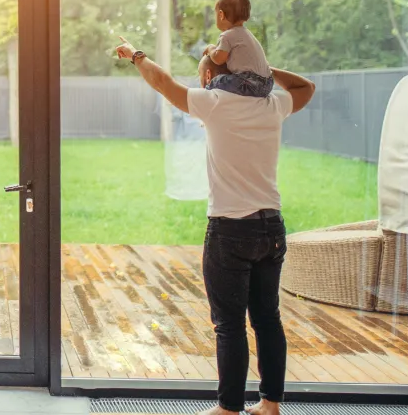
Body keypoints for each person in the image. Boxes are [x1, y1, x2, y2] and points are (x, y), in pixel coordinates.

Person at [115, 37, 315, 415]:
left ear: (208, 75)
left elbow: (162, 82)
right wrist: (264, 73)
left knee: (229, 325)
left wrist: (136, 54)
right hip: (271, 227)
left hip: (230, 230)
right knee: (267, 319)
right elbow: (306, 88)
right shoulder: (272, 104)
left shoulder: (214, 103)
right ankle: (270, 404)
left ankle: (228, 409)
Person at [202, 0, 273, 98]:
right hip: (268, 83)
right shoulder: (247, 34)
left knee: (217, 80)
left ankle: (206, 96)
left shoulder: (227, 36)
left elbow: (218, 59)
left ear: (221, 15)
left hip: (250, 83)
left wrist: (211, 48)